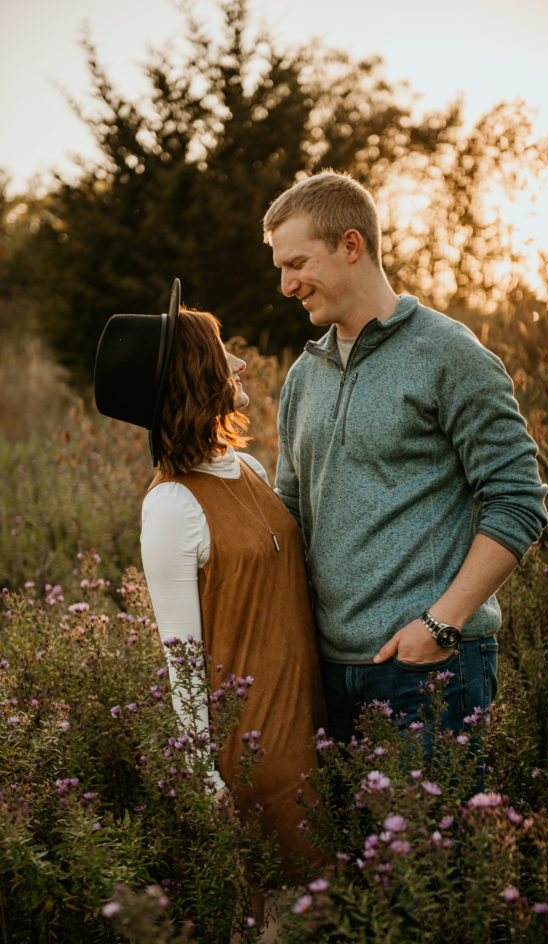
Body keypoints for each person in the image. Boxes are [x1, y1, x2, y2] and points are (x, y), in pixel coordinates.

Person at [263, 171, 548, 754]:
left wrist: (441, 625)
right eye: (280, 270)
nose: (287, 285)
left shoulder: (449, 355)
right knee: (347, 848)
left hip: (426, 671)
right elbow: (289, 513)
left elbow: (518, 499)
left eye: (296, 264)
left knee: (437, 848)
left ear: (351, 244)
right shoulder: (302, 378)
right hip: (325, 675)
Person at [94, 280, 326, 880]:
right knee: (287, 912)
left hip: (316, 721)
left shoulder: (247, 467)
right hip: (257, 745)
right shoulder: (171, 505)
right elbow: (182, 658)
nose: (240, 361)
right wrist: (204, 779)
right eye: (223, 352)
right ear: (195, 374)